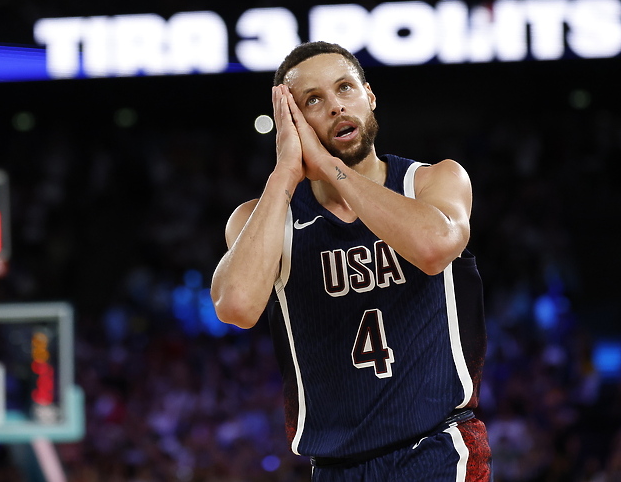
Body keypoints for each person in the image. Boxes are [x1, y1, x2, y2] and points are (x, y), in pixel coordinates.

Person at [210, 41, 492, 481]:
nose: (336, 107)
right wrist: (287, 171)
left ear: (370, 96)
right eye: (314, 101)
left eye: (345, 89)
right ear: (294, 123)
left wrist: (329, 169)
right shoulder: (262, 219)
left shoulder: (433, 180)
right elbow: (237, 306)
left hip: (437, 447)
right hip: (335, 467)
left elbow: (434, 248)